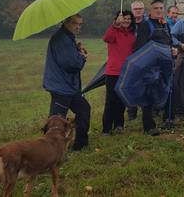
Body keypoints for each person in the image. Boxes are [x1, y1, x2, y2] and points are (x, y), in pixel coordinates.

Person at [43, 14, 90, 150]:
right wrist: (82, 57)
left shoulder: (67, 37)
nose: (78, 27)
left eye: (80, 24)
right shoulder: (61, 39)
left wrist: (77, 50)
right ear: (66, 22)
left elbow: (70, 58)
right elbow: (71, 64)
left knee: (84, 109)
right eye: (75, 23)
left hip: (69, 86)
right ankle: (49, 149)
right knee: (56, 121)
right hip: (61, 87)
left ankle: (80, 145)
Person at [133, 0, 176, 135]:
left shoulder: (165, 24)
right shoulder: (146, 25)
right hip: (151, 66)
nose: (158, 11)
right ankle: (149, 126)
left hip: (166, 65)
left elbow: (168, 41)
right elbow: (139, 47)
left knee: (167, 90)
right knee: (149, 95)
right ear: (150, 10)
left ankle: (168, 119)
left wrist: (173, 49)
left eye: (161, 8)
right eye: (156, 8)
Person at [101, 11, 136, 135]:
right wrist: (115, 24)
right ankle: (106, 128)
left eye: (129, 18)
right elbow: (106, 38)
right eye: (124, 18)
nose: (126, 21)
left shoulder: (132, 35)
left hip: (126, 72)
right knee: (111, 100)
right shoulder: (114, 31)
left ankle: (119, 125)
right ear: (118, 19)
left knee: (122, 100)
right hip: (113, 72)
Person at [127, 1, 146, 121]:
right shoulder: (127, 24)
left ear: (144, 10)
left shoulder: (148, 23)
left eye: (140, 8)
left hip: (145, 58)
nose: (138, 11)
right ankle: (131, 111)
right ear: (132, 10)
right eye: (135, 9)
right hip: (131, 59)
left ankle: (146, 110)